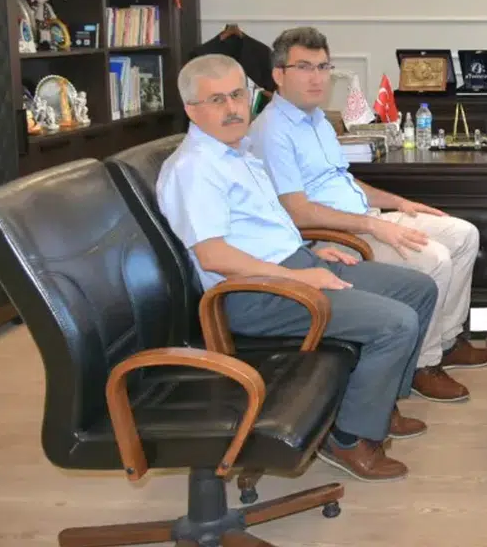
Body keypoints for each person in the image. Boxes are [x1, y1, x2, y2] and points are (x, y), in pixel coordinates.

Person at [156, 53, 438, 482]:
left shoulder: (237, 152)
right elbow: (214, 257)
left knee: (418, 288)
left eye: (237, 95)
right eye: (216, 100)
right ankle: (349, 438)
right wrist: (298, 276)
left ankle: (377, 407)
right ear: (192, 109)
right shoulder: (194, 169)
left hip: (293, 265)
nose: (232, 108)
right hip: (254, 293)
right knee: (395, 323)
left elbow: (262, 227)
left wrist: (309, 253)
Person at [248, 27, 487, 404]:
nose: (317, 77)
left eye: (323, 67)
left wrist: (399, 203)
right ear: (279, 74)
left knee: (463, 235)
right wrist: (373, 224)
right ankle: (423, 364)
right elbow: (297, 212)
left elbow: (343, 182)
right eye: (304, 67)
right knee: (433, 259)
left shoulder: (317, 119)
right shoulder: (271, 131)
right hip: (330, 238)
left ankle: (447, 341)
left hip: (363, 219)